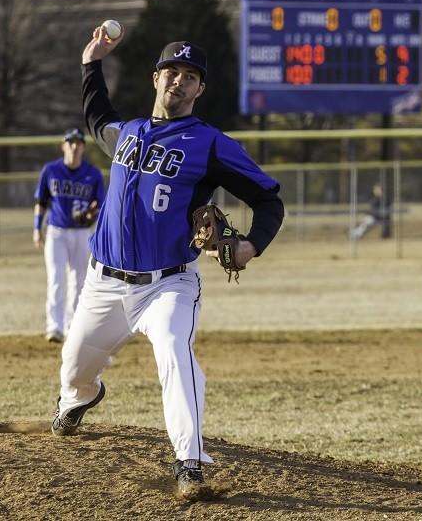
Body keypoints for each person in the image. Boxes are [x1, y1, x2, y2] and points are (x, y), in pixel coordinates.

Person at [50, 26, 284, 500]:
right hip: (104, 284)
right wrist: (90, 63)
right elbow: (98, 118)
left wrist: (251, 245)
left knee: (176, 354)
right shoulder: (129, 134)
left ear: (199, 89)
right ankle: (81, 397)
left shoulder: (210, 144)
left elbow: (269, 200)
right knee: (73, 370)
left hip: (168, 285)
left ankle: (189, 461)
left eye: (190, 75)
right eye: (171, 71)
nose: (179, 80)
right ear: (156, 78)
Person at [33, 128, 106, 343]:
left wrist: (91, 213)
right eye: (71, 142)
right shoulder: (51, 170)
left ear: (83, 147)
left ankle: (72, 326)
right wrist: (37, 228)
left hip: (83, 233)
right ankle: (54, 327)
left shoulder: (93, 174)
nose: (75, 147)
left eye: (79, 143)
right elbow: (41, 202)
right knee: (56, 279)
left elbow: (100, 205)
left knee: (79, 281)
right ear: (63, 145)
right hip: (56, 231)